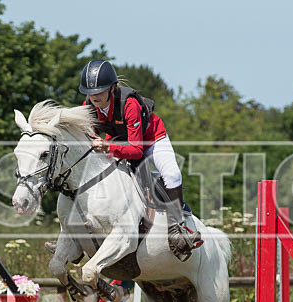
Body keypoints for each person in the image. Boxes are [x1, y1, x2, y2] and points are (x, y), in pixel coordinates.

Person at [79, 59, 202, 261]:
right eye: (91, 93)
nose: (95, 97)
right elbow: (92, 136)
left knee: (172, 173)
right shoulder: (88, 106)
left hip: (151, 140)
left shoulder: (129, 104)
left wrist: (107, 146)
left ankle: (177, 228)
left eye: (100, 92)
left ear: (112, 88)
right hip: (120, 141)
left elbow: (136, 150)